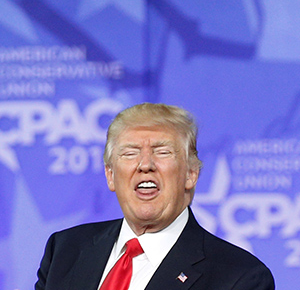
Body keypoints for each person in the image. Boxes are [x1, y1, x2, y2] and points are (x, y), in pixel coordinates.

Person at [35, 103, 275, 290]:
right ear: (110, 175)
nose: (145, 164)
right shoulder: (65, 250)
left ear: (191, 174)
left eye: (162, 152)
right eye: (130, 153)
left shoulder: (240, 277)